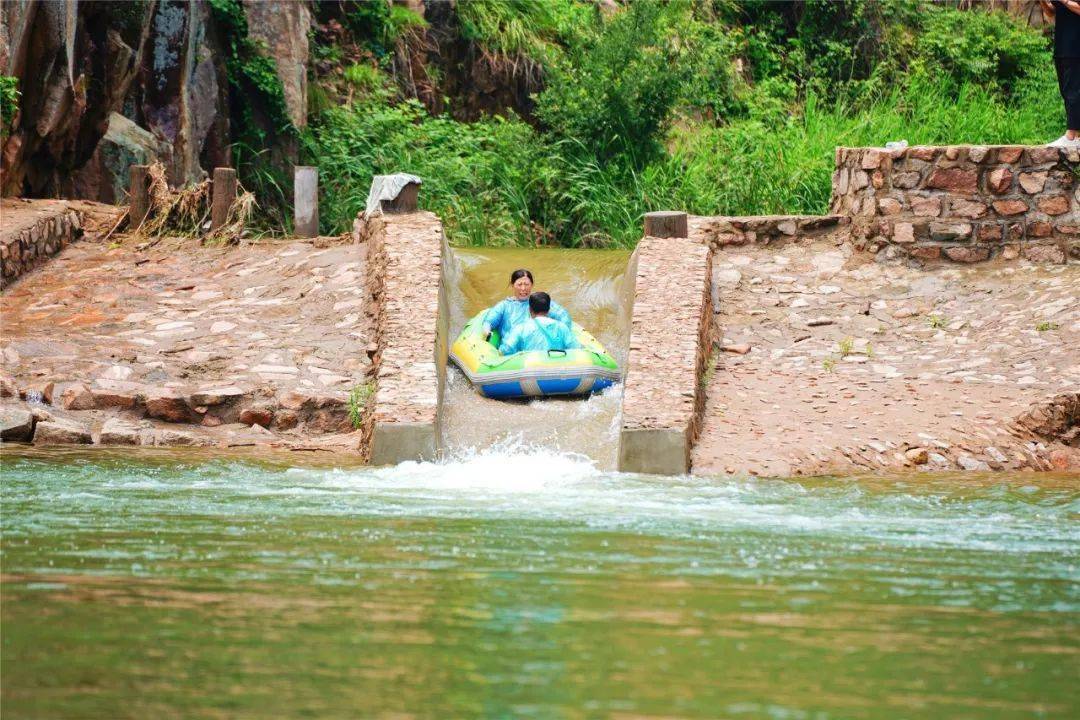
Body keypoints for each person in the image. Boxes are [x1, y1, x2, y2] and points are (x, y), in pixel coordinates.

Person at [483, 269, 572, 341]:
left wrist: (561, 335)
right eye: (519, 284)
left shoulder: (539, 301)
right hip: (512, 349)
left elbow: (563, 315)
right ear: (512, 285)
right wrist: (487, 331)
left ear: (532, 285)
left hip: (536, 346)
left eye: (526, 284)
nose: (523, 288)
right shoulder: (504, 305)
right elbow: (489, 321)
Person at [1043, 0, 1080, 147]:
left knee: (1073, 90)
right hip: (1062, 45)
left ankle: (1071, 136)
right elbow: (1051, 13)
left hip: (1076, 45)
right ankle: (1076, 137)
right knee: (1066, 91)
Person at [498, 292, 581, 355]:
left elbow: (506, 350)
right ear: (548, 309)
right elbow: (576, 348)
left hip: (531, 371)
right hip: (556, 369)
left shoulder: (521, 328)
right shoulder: (562, 327)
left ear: (530, 309)